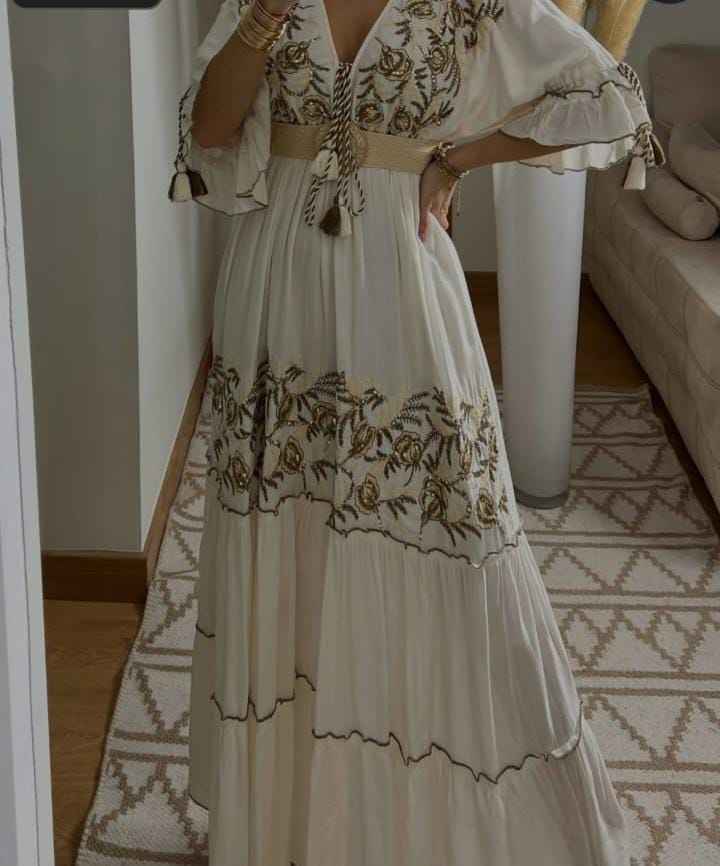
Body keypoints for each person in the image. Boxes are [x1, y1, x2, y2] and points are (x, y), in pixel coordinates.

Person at [169, 2, 663, 863]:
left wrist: (460, 156)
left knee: (457, 523)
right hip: (277, 283)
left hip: (401, 269)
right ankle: (295, 823)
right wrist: (262, 17)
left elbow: (607, 95)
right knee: (290, 528)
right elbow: (211, 130)